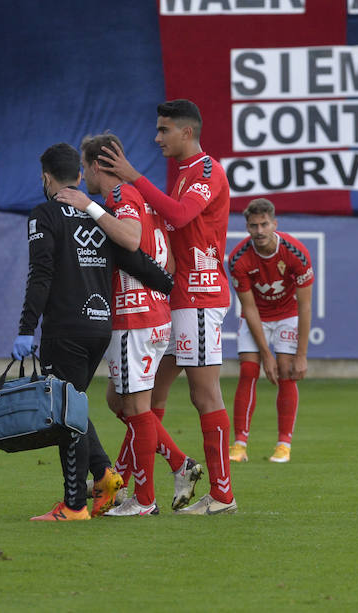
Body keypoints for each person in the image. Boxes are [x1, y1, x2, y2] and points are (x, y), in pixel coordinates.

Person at [15, 142, 173, 522]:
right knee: (73, 407)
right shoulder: (99, 216)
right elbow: (133, 259)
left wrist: (25, 327)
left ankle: (73, 505)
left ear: (47, 178)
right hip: (101, 328)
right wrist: (167, 283)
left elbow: (42, 274)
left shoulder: (44, 214)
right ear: (80, 176)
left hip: (64, 329)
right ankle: (103, 475)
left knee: (65, 413)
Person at [98, 99, 237, 515]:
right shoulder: (182, 175)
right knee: (134, 401)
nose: (157, 138)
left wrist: (133, 177)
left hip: (199, 295)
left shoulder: (207, 171)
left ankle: (223, 495)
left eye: (164, 130)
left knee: (204, 395)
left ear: (186, 132)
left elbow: (179, 213)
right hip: (176, 297)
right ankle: (155, 475)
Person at [55, 133, 196, 516]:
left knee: (135, 406)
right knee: (118, 400)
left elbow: (131, 240)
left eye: (85, 168)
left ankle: (144, 500)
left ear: (98, 166)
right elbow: (164, 264)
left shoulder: (120, 198)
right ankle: (179, 463)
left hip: (135, 317)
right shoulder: (141, 200)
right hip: (149, 314)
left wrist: (88, 206)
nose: (84, 176)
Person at [227, 198, 314, 464]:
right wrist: (266, 354)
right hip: (258, 317)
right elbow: (249, 308)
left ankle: (283, 445)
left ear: (274, 224)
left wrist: (302, 355)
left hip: (288, 315)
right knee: (249, 370)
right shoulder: (238, 259)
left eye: (264, 224)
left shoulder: (296, 253)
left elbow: (305, 305)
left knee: (287, 373)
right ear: (247, 227)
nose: (260, 231)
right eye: (254, 226)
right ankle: (240, 444)